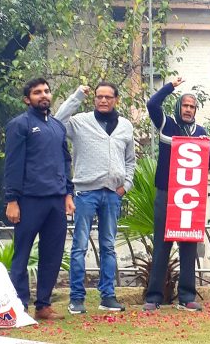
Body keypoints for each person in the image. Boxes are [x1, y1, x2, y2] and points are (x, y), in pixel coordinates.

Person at [54, 82, 135, 314]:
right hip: (85, 193)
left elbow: (130, 159)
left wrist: (126, 186)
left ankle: (107, 296)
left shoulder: (126, 126)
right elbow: (58, 121)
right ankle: (76, 298)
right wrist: (77, 95)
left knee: (108, 246)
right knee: (79, 246)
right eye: (99, 96)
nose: (103, 100)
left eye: (108, 97)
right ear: (94, 99)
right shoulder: (80, 122)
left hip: (112, 194)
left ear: (116, 100)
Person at [3, 78, 74, 321]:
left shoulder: (57, 126)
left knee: (52, 255)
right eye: (36, 92)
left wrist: (68, 193)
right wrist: (12, 200)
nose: (43, 95)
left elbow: (65, 161)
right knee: (21, 254)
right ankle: (19, 306)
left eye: (46, 91)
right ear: (27, 99)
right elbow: (12, 164)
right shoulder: (19, 125)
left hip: (56, 201)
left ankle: (43, 305)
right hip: (28, 200)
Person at [143, 77, 210, 312]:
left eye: (192, 107)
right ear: (178, 107)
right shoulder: (166, 124)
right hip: (166, 193)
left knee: (188, 244)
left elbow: (208, 164)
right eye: (185, 105)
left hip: (189, 196)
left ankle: (186, 297)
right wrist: (170, 87)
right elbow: (152, 105)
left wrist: (205, 149)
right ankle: (153, 297)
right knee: (162, 243)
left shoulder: (201, 132)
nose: (188, 110)